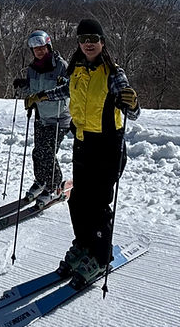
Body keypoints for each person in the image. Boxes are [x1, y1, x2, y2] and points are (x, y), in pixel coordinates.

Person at [33, 17, 140, 286]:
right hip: (82, 144)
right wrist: (41, 96)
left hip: (108, 146)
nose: (88, 44)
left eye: (93, 39)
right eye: (84, 40)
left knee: (98, 204)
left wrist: (132, 102)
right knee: (77, 200)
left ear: (102, 42)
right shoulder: (77, 70)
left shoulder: (113, 73)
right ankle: (83, 246)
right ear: (79, 43)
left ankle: (101, 257)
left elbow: (132, 111)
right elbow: (66, 90)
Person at [13, 30, 69, 206]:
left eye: (41, 47)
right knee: (37, 153)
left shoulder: (61, 66)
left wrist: (62, 84)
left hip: (59, 117)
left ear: (48, 46)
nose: (39, 50)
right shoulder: (32, 69)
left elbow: (70, 89)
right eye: (35, 48)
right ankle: (41, 180)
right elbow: (33, 90)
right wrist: (24, 85)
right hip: (41, 116)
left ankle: (54, 186)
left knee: (47, 153)